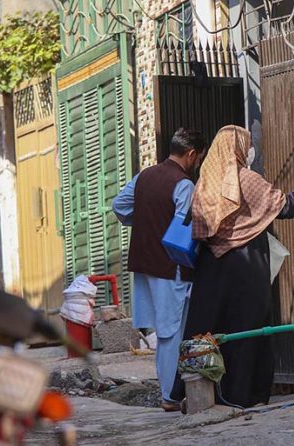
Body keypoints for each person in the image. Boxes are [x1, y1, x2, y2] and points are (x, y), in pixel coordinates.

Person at [170, 125, 294, 408]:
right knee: (248, 330)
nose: (251, 150)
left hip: (211, 268)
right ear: (239, 149)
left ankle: (197, 393)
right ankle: (243, 395)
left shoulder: (205, 182)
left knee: (208, 329)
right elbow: (287, 206)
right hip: (246, 267)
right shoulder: (246, 179)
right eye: (248, 144)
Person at [112, 128, 206, 412]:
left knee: (163, 329)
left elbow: (120, 206)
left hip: (144, 264)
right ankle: (170, 395)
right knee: (171, 331)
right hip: (170, 266)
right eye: (198, 157)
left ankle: (171, 390)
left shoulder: (143, 176)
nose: (198, 163)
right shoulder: (184, 184)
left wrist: (144, 222)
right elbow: (183, 227)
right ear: (191, 154)